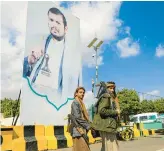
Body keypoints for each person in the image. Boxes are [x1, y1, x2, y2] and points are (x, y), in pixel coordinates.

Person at [22, 7, 80, 102]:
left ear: (65, 29)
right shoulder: (38, 42)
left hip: (54, 98)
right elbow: (24, 72)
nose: (54, 25)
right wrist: (29, 61)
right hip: (34, 92)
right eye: (51, 20)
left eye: (58, 23)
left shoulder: (71, 54)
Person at [92, 81, 120, 151]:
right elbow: (102, 111)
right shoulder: (106, 96)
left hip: (107, 126)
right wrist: (115, 112)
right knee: (111, 147)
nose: (112, 90)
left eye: (113, 88)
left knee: (107, 147)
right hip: (107, 126)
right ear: (106, 88)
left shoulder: (108, 97)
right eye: (110, 88)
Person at [69, 87, 92, 151]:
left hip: (81, 130)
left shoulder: (80, 103)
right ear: (76, 94)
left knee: (80, 148)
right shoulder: (75, 102)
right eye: (80, 92)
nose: (82, 94)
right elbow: (77, 117)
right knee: (83, 148)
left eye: (83, 92)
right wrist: (89, 125)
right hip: (78, 130)